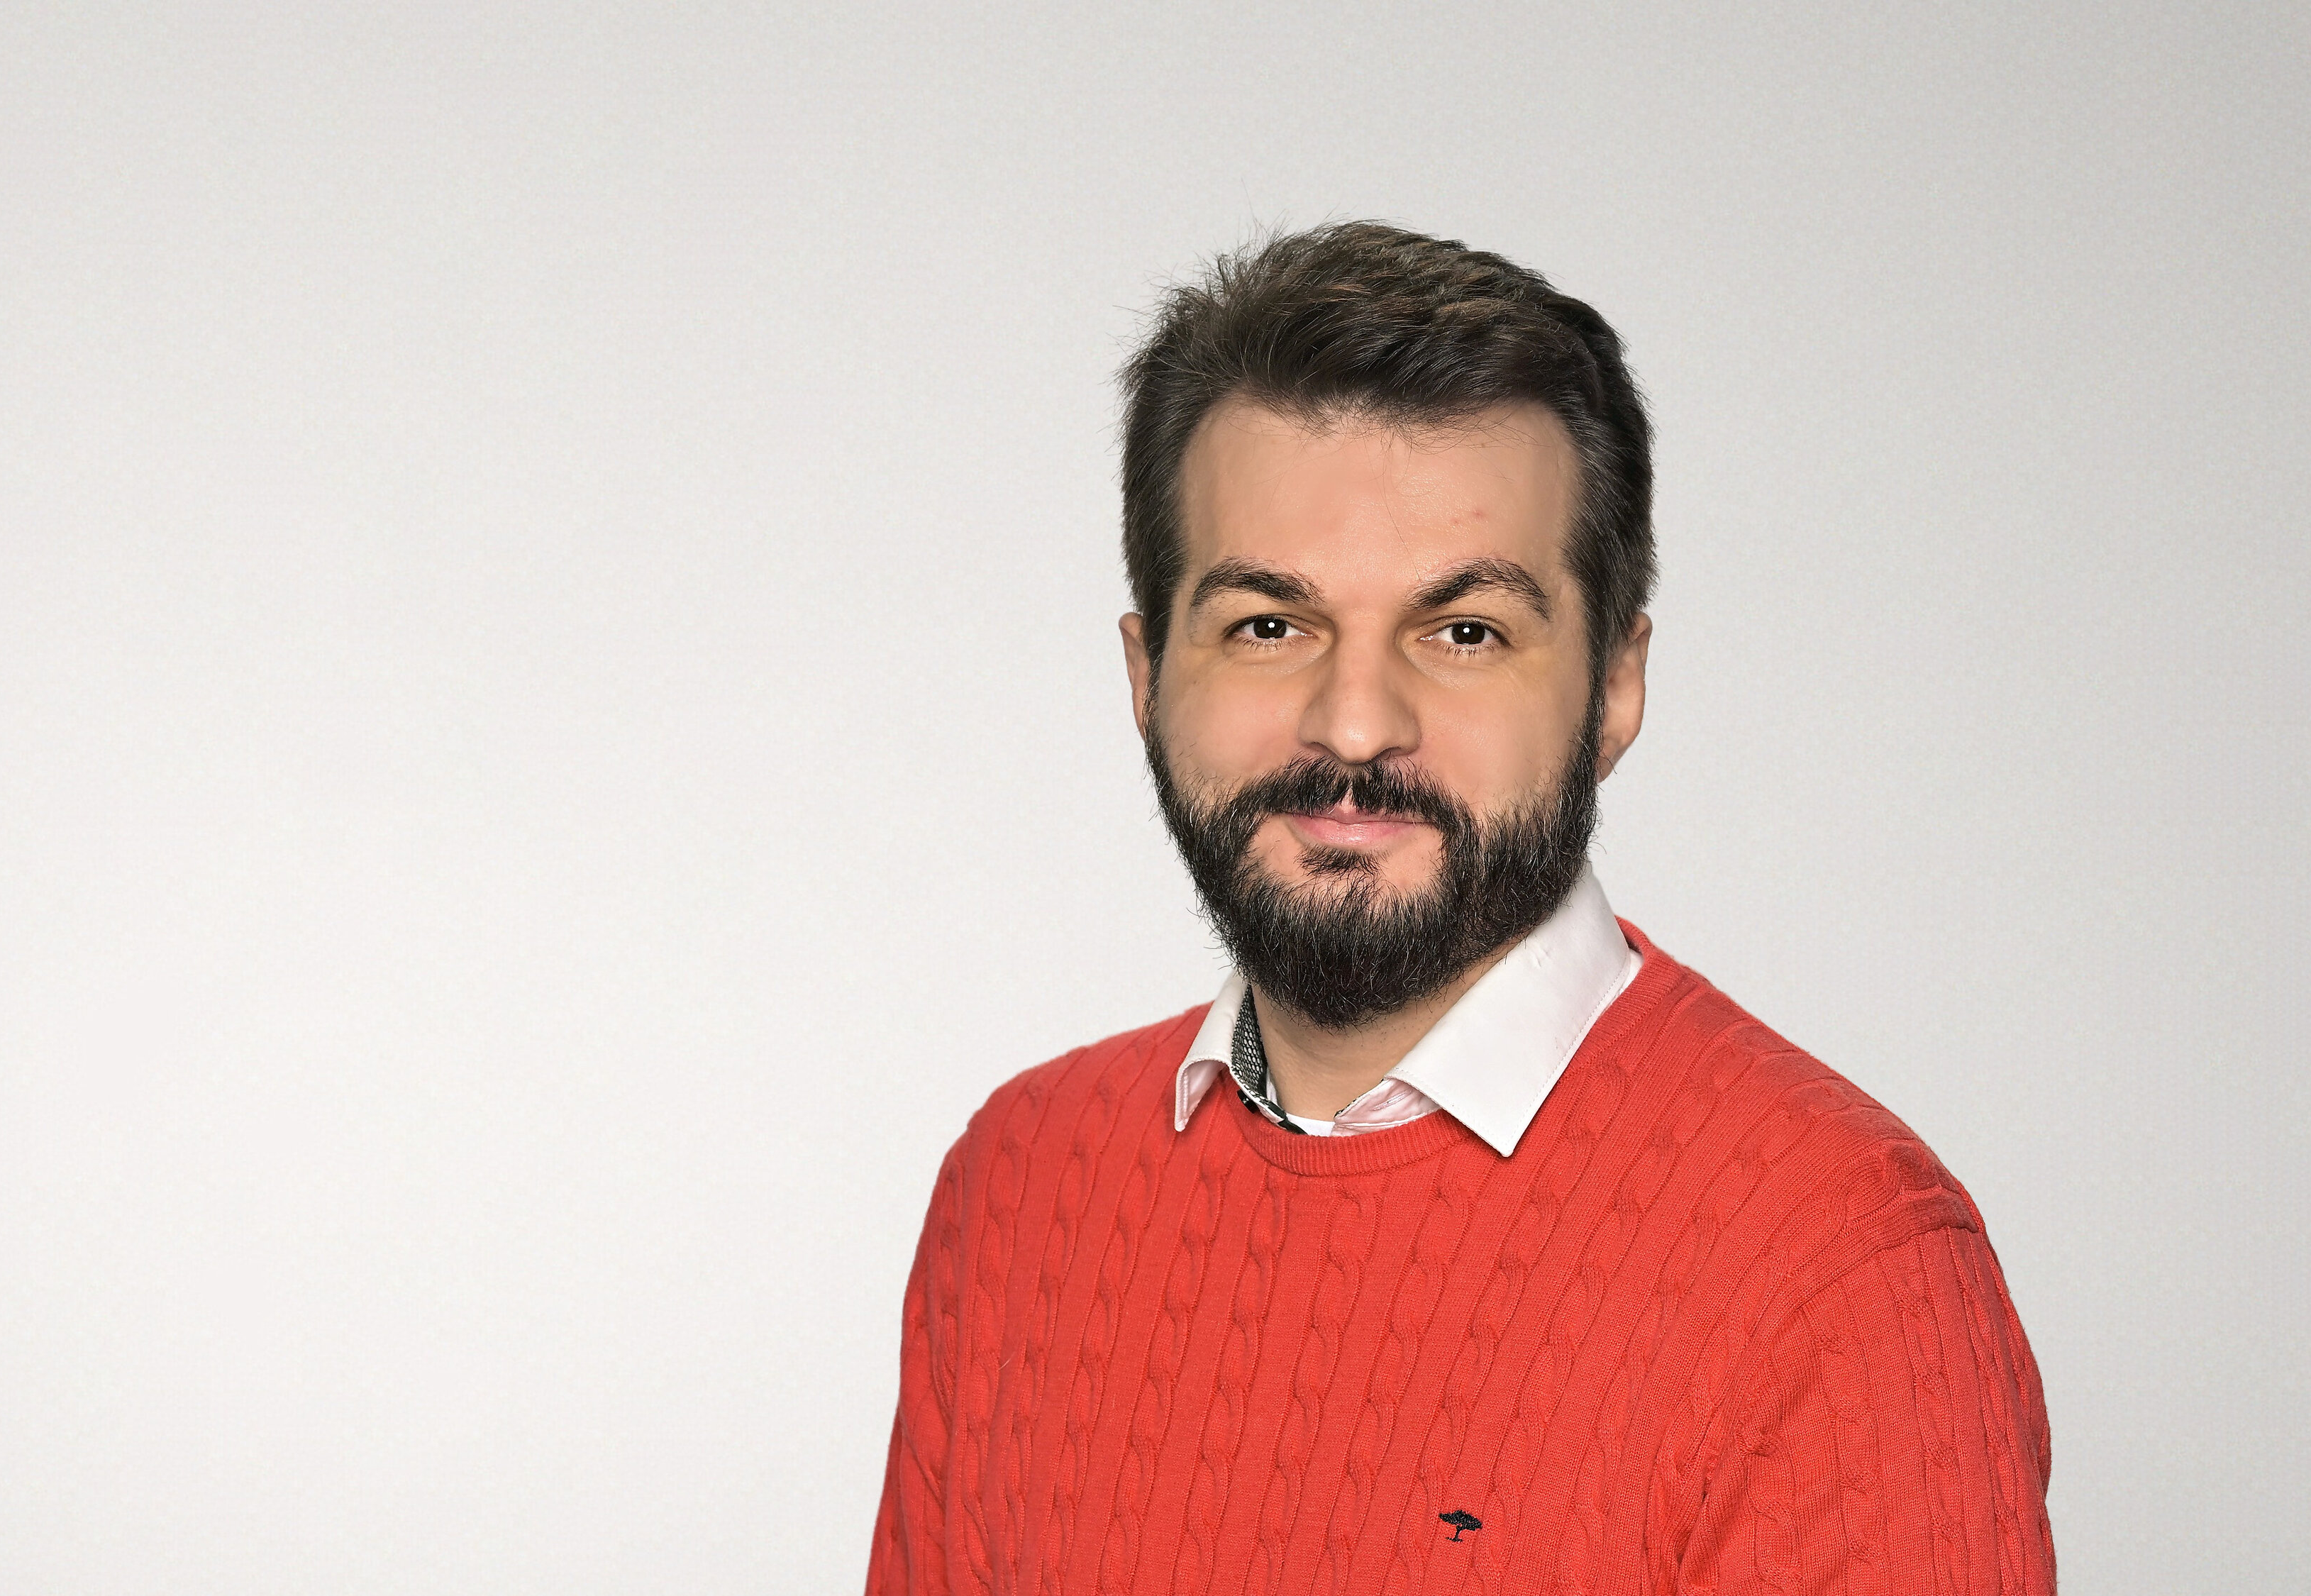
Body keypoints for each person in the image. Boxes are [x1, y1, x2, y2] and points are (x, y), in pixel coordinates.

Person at [865, 222, 2054, 1592]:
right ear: (1147, 674)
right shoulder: (1021, 1190)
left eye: (1464, 631)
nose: (1354, 722)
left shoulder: (1835, 1261)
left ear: (1614, 685)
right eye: (1268, 625)